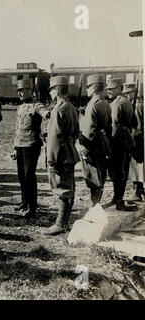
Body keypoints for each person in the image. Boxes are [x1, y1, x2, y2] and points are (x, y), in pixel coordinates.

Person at [7, 79, 50, 218]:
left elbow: (47, 115)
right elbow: (18, 128)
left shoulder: (37, 105)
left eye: (23, 90)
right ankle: (24, 202)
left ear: (30, 91)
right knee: (21, 175)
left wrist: (46, 130)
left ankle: (33, 208)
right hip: (20, 144)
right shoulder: (20, 107)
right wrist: (14, 147)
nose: (20, 93)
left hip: (31, 145)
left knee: (29, 176)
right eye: (19, 91)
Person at [43, 76, 80, 235]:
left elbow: (54, 137)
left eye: (52, 89)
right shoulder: (70, 107)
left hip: (60, 154)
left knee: (63, 188)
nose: (50, 92)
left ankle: (61, 224)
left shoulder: (59, 108)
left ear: (57, 90)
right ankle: (63, 222)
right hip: (69, 152)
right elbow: (76, 132)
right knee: (68, 187)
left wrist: (51, 159)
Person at [78, 74, 112, 207]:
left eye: (88, 87)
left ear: (94, 89)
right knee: (101, 174)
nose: (86, 90)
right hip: (103, 143)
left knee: (93, 176)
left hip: (93, 144)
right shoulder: (105, 103)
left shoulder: (92, 105)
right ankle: (97, 203)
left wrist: (83, 144)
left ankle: (94, 207)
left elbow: (90, 129)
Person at [107, 78, 137, 211]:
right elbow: (134, 123)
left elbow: (114, 124)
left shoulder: (117, 103)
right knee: (122, 170)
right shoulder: (127, 101)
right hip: (126, 139)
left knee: (118, 171)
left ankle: (118, 200)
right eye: (107, 89)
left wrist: (109, 142)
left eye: (111, 89)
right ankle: (118, 198)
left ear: (119, 88)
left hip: (117, 141)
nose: (108, 91)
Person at [124, 83, 144, 201]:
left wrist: (131, 137)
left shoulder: (137, 105)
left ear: (134, 92)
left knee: (136, 165)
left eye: (128, 93)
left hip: (137, 140)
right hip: (140, 140)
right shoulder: (139, 104)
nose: (127, 96)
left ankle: (137, 191)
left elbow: (138, 126)